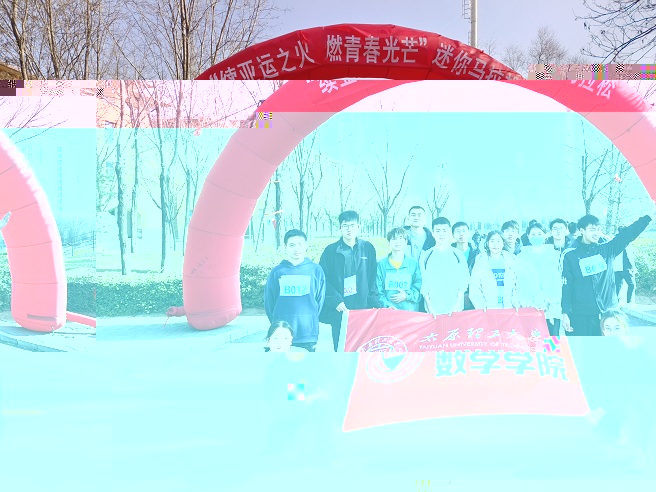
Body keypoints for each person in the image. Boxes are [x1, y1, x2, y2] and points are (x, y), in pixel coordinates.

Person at [561, 203, 656, 336]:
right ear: (582, 230)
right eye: (592, 230)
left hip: (607, 312)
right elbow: (566, 285)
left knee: (609, 348)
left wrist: (648, 217)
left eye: (598, 229)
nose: (596, 233)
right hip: (581, 314)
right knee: (581, 348)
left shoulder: (607, 249)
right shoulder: (570, 254)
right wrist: (565, 312)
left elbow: (628, 235)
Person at [319, 210, 381, 352]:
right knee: (342, 349)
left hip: (364, 310)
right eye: (345, 226)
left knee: (364, 349)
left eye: (352, 225)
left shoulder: (367, 248)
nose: (349, 229)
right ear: (340, 228)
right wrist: (336, 301)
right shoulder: (331, 251)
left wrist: (375, 303)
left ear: (359, 226)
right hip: (342, 310)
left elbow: (373, 278)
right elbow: (323, 279)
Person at [264, 229, 326, 352]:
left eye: (300, 244)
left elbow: (320, 300)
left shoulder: (316, 270)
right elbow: (269, 303)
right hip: (282, 333)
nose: (296, 249)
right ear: (285, 247)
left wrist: (309, 319)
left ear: (306, 245)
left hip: (307, 333)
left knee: (307, 364)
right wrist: (278, 325)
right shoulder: (277, 272)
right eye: (292, 245)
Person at [516, 222, 563, 336]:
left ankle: (552, 349)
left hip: (550, 307)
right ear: (528, 236)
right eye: (533, 234)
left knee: (552, 340)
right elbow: (520, 281)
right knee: (532, 339)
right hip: (529, 306)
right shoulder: (521, 257)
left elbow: (558, 281)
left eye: (539, 234)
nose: (536, 237)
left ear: (545, 235)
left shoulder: (556, 255)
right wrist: (527, 301)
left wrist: (548, 300)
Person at [419, 217, 470, 316]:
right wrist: (429, 307)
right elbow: (423, 283)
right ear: (433, 233)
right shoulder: (425, 256)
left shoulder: (459, 255)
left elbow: (463, 281)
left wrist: (456, 306)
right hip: (432, 310)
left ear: (450, 232)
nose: (441, 234)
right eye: (438, 231)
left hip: (455, 310)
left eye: (444, 230)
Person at [469, 231, 520, 310]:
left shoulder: (512, 260)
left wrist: (516, 302)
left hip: (509, 307)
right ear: (487, 243)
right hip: (487, 309)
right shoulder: (480, 261)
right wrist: (480, 304)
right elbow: (474, 286)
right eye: (492, 241)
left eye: (498, 241)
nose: (495, 244)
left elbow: (518, 284)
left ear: (503, 244)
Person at [376, 227, 422, 311]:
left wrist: (407, 295)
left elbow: (419, 287)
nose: (397, 242)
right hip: (389, 313)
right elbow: (378, 291)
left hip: (410, 313)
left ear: (406, 242)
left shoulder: (413, 264)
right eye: (393, 239)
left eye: (400, 238)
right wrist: (387, 305)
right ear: (389, 242)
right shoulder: (381, 265)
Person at [451, 221, 478, 310]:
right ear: (453, 235)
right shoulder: (448, 253)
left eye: (464, 231)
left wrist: (469, 293)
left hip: (473, 297)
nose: (461, 234)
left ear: (469, 233)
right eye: (458, 231)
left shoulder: (477, 254)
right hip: (453, 296)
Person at [613, 226, 637, 306]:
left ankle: (616, 303)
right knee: (631, 284)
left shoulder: (614, 241)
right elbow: (630, 256)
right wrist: (633, 267)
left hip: (616, 268)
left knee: (617, 286)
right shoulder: (627, 241)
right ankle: (629, 302)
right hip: (625, 267)